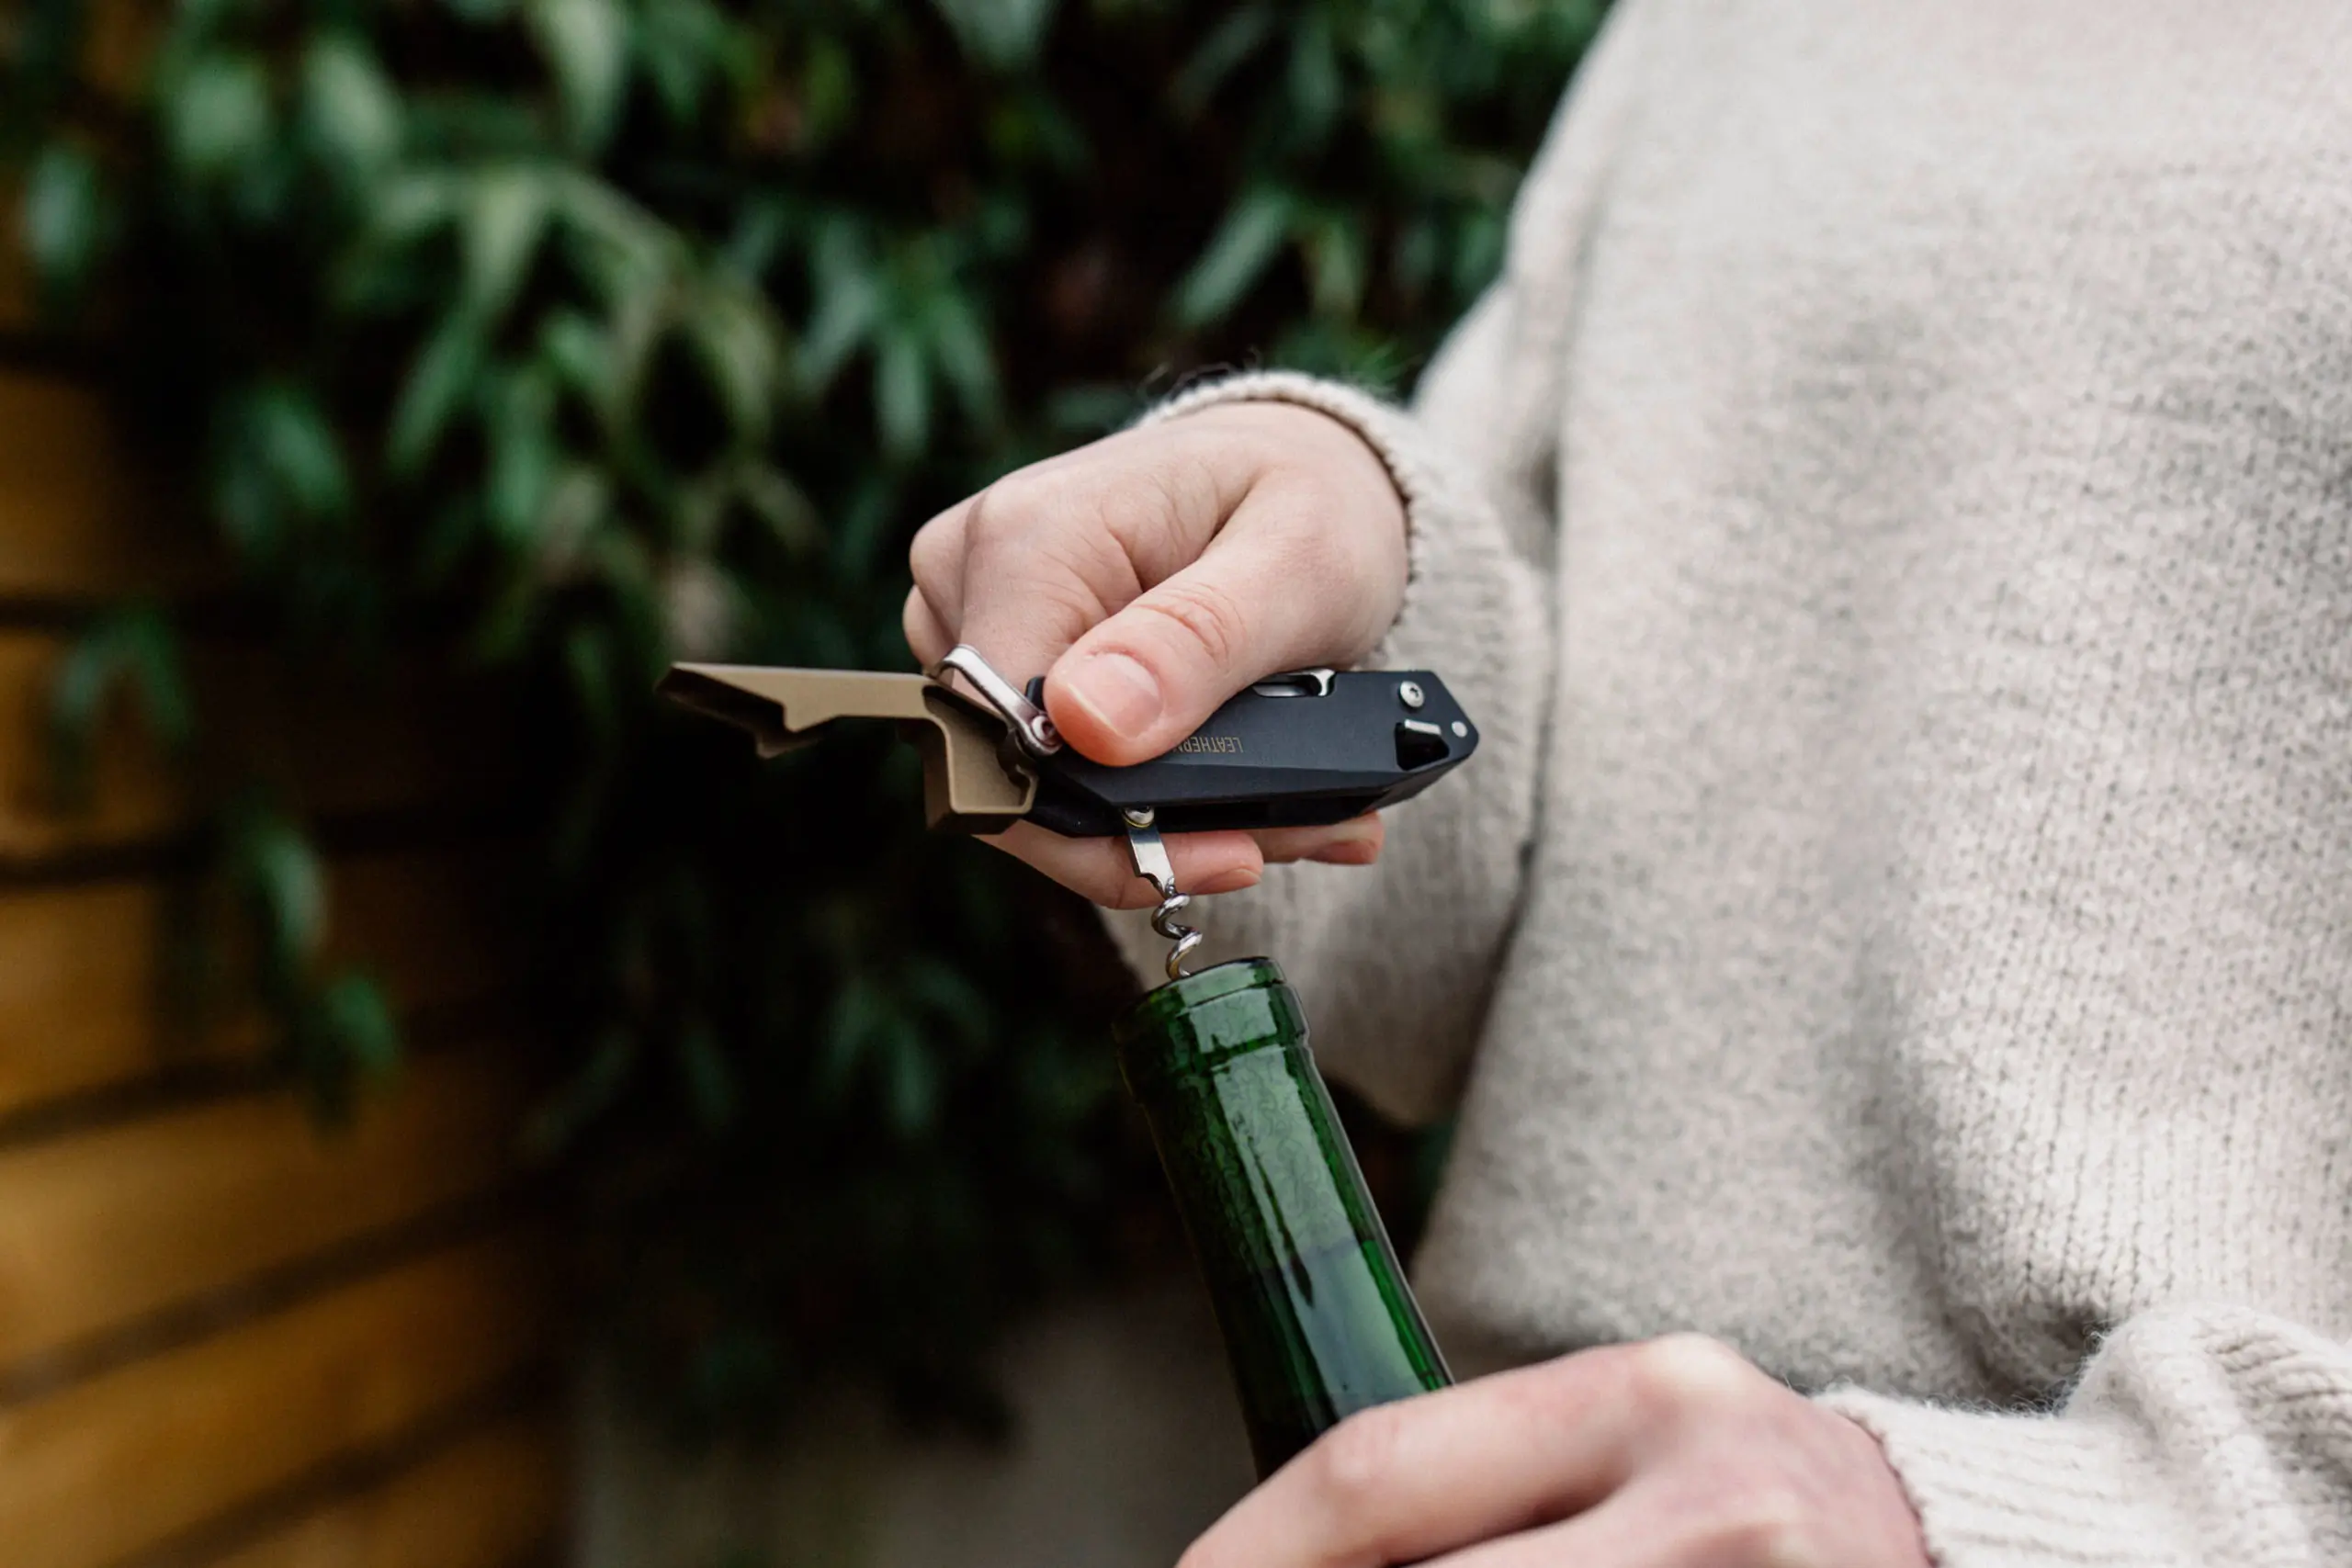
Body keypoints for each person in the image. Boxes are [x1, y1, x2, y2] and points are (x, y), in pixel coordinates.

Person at [902, 1, 2352, 1562]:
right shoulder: (1708, 33)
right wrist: (1330, 558)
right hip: (1512, 1511)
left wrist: (2031, 1529)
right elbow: (1448, 895)